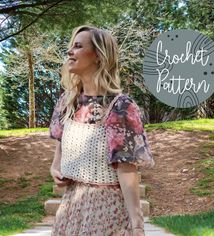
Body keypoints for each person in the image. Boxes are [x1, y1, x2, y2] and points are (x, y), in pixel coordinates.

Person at [49, 25, 155, 236]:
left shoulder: (120, 107)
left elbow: (127, 170)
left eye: (78, 46)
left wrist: (137, 226)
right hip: (70, 211)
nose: (70, 51)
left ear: (98, 56)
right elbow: (58, 158)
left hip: (106, 212)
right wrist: (56, 171)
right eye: (71, 46)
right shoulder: (68, 103)